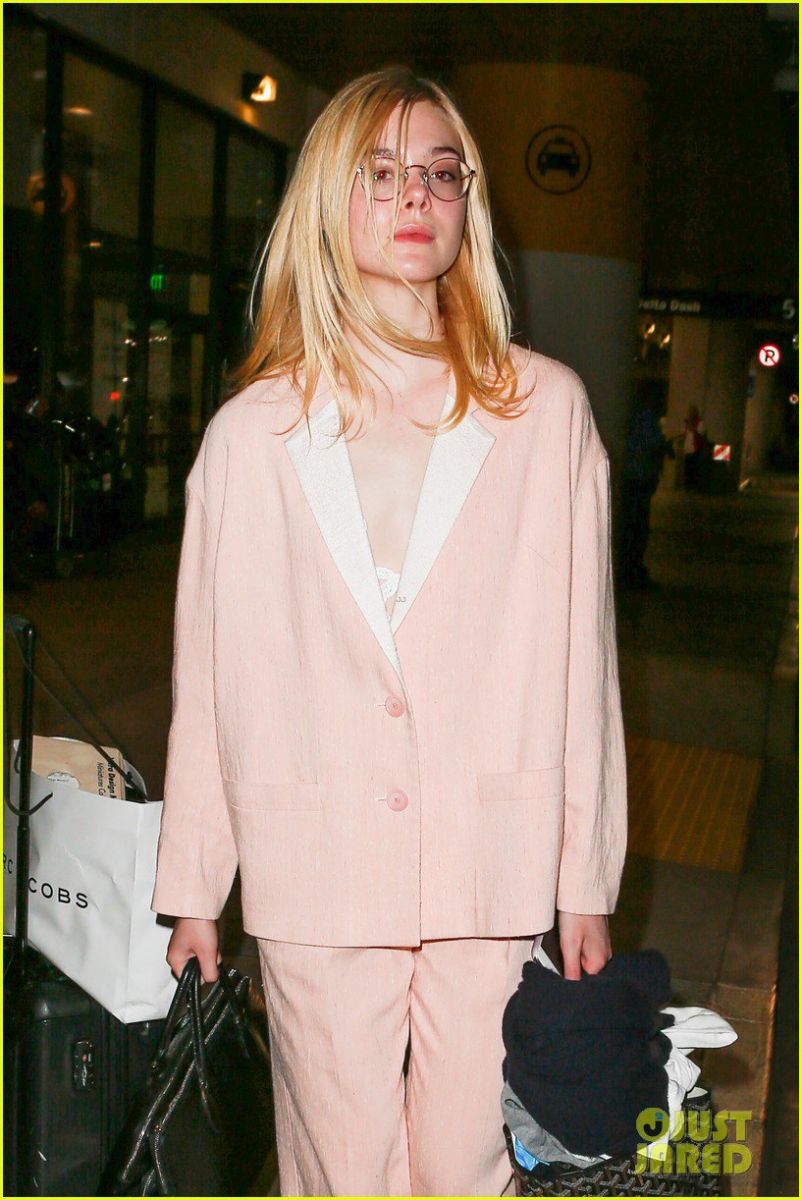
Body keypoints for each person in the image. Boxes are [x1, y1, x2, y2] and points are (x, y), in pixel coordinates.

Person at [152, 67, 628, 1198]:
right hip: (312, 857)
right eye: (379, 172)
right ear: (330, 199)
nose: (414, 194)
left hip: (491, 856)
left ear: (467, 206)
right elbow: (209, 674)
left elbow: (586, 665)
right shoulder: (254, 435)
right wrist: (193, 885)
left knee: (471, 1169)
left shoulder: (544, 411)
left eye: (439, 172)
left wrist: (586, 876)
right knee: (339, 1171)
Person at [619, 380, 675, 589]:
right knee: (637, 527)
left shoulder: (634, 417)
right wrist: (665, 446)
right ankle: (632, 570)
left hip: (633, 478)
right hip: (639, 479)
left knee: (632, 526)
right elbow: (651, 444)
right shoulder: (646, 419)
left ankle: (630, 568)